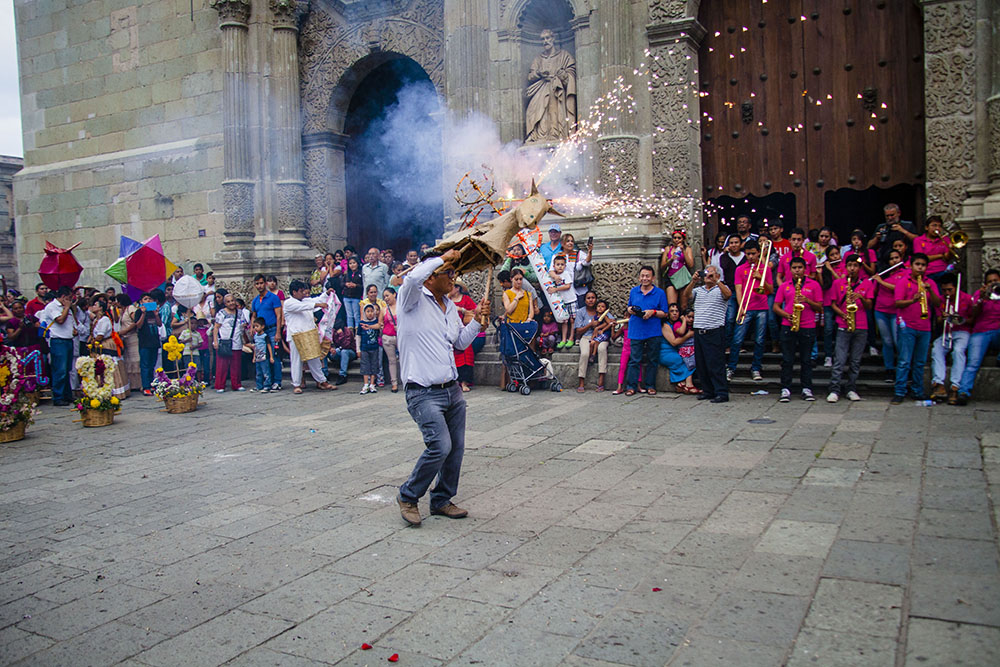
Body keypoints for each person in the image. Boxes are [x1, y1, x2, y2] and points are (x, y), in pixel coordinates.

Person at [396, 249, 488, 527]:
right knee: (440, 445)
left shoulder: (449, 306)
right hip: (422, 391)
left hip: (452, 390)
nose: (454, 278)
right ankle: (408, 495)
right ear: (431, 276)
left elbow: (458, 342)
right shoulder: (411, 299)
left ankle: (441, 499)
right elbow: (412, 279)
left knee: (456, 448)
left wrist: (477, 323)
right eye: (449, 273)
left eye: (453, 272)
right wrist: (441, 257)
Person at [891, 253, 941, 404]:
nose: (920, 268)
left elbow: (938, 303)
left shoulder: (930, 282)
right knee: (904, 361)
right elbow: (897, 303)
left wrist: (930, 291)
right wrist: (912, 300)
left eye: (923, 265)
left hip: (924, 327)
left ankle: (917, 391)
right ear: (911, 266)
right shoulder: (903, 282)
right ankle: (899, 392)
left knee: (919, 362)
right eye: (917, 264)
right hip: (907, 325)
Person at [773, 257, 823, 402]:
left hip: (807, 326)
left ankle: (806, 388)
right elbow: (776, 306)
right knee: (787, 359)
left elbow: (820, 307)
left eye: (800, 267)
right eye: (794, 268)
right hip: (788, 326)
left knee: (806, 359)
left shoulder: (814, 285)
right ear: (790, 269)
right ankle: (785, 388)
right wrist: (787, 315)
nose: (797, 271)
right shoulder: (785, 286)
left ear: (805, 269)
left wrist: (807, 301)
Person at [826, 256, 874, 402]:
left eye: (855, 266)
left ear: (859, 268)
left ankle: (851, 388)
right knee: (839, 359)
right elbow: (833, 304)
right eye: (850, 265)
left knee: (855, 360)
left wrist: (861, 297)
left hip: (861, 325)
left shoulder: (866, 283)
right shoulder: (838, 283)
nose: (852, 268)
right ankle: (834, 389)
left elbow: (869, 306)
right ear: (845, 267)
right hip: (843, 324)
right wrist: (842, 314)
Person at [684, 266, 731, 402]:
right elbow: (687, 296)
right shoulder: (698, 290)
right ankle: (708, 391)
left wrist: (717, 281)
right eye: (706, 273)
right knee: (702, 363)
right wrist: (693, 281)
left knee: (716, 363)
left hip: (715, 330)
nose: (708, 276)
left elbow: (728, 295)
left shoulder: (721, 288)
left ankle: (721, 392)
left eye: (711, 273)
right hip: (699, 330)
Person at [729, 239, 773, 382]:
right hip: (746, 308)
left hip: (762, 308)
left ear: (759, 253)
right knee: (737, 340)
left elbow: (770, 290)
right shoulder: (740, 269)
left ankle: (756, 368)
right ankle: (731, 368)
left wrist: (761, 279)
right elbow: (738, 288)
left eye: (753, 254)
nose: (751, 257)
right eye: (748, 254)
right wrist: (741, 307)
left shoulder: (765, 268)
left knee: (760, 340)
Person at [954, 269, 1000, 405]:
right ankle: (963, 392)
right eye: (990, 282)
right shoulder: (979, 295)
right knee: (973, 363)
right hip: (981, 331)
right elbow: (974, 315)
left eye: (995, 281)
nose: (993, 283)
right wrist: (981, 298)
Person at [283, 280, 336, 394]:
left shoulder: (305, 300)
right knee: (296, 360)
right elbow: (304, 306)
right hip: (295, 335)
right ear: (294, 292)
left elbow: (315, 300)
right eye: (301, 291)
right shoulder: (289, 303)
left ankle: (322, 381)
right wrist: (318, 305)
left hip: (309, 333)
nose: (303, 293)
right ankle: (297, 384)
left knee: (314, 358)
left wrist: (326, 294)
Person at [525, 28, 577, 143]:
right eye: (543, 39)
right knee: (532, 111)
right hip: (542, 88)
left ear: (553, 39)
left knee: (554, 110)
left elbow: (571, 73)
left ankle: (556, 134)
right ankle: (538, 135)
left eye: (547, 38)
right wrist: (539, 73)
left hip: (556, 89)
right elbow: (530, 76)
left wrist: (562, 74)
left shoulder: (564, 56)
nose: (545, 41)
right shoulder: (538, 59)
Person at [624, 266, 670, 396]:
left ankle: (650, 385)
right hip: (636, 329)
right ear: (639, 277)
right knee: (634, 359)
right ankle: (631, 386)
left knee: (652, 359)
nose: (645, 278)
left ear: (653, 278)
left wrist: (653, 312)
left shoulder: (660, 293)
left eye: (647, 276)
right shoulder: (634, 291)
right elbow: (628, 307)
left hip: (653, 330)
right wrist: (631, 310)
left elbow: (665, 313)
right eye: (642, 276)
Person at [930, 273, 974, 405]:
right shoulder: (941, 300)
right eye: (944, 290)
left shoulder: (967, 298)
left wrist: (960, 319)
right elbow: (938, 321)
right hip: (947, 331)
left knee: (958, 351)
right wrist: (942, 317)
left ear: (956, 287)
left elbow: (973, 319)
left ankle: (955, 386)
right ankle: (939, 384)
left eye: (950, 290)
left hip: (962, 331)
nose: (947, 293)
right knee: (936, 349)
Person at [40, 287, 76, 406]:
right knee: (59, 370)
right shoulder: (52, 307)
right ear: (63, 297)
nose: (71, 300)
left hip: (68, 339)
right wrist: (66, 307)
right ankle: (58, 396)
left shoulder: (68, 309)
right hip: (58, 341)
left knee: (67, 369)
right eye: (69, 298)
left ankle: (67, 394)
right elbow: (60, 320)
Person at [89, 297, 130, 399]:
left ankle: (115, 391)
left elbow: (100, 335)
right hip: (98, 345)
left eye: (95, 305)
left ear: (100, 308)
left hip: (105, 344)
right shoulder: (96, 320)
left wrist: (94, 342)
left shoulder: (105, 319)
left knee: (109, 365)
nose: (93, 307)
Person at [250, 274, 284, 392]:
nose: (259, 286)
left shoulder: (273, 298)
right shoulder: (255, 301)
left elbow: (279, 315)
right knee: (263, 357)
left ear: (265, 283)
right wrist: (252, 327)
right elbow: (254, 315)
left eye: (261, 283)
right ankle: (265, 382)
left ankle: (277, 381)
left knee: (274, 355)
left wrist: (278, 332)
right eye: (257, 284)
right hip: (261, 332)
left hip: (273, 329)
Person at [575, 293, 612, 392]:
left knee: (602, 349)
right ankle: (581, 382)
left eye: (593, 298)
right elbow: (578, 330)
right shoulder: (581, 312)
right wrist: (590, 325)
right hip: (586, 336)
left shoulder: (602, 310)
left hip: (601, 338)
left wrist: (601, 327)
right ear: (585, 300)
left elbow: (612, 321)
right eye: (588, 298)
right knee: (585, 354)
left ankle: (601, 381)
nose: (591, 300)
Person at [659, 303, 698, 395]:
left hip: (676, 350)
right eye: (672, 311)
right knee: (686, 360)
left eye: (677, 311)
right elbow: (674, 342)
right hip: (665, 352)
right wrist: (688, 335)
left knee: (691, 356)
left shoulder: (680, 324)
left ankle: (682, 384)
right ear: (667, 314)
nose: (675, 313)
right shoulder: (665, 325)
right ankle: (688, 384)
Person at [714, 234, 745, 348]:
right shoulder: (724, 257)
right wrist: (725, 253)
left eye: (736, 242)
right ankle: (727, 344)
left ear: (741, 244)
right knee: (730, 318)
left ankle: (739, 344)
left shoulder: (745, 256)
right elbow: (724, 266)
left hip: (744, 291)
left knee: (742, 318)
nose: (734, 245)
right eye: (731, 243)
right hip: (731, 291)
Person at [213, 293, 248, 393]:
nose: (231, 303)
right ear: (225, 303)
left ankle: (236, 384)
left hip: (236, 342)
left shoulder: (240, 313)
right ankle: (220, 385)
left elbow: (243, 325)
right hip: (224, 341)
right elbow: (216, 327)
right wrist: (215, 341)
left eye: (232, 301)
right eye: (228, 301)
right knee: (222, 365)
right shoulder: (221, 313)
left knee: (236, 365)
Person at [448, 281, 477, 392]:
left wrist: (462, 310)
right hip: (450, 331)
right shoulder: (446, 300)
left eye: (454, 286)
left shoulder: (465, 299)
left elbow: (474, 311)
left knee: (466, 351)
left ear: (458, 288)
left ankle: (465, 381)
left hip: (464, 330)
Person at [818, 245, 844, 367]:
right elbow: (824, 285)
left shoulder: (844, 266)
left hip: (841, 303)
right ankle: (828, 355)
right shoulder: (825, 268)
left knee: (840, 330)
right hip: (828, 302)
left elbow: (841, 282)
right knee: (828, 330)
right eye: (832, 255)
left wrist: (831, 269)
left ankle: (839, 355)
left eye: (836, 254)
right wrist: (820, 273)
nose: (835, 257)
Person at [132, 293, 162, 396]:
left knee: (152, 365)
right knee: (145, 365)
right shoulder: (138, 312)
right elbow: (138, 326)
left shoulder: (154, 311)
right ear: (141, 302)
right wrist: (143, 313)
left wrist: (156, 314)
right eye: (145, 299)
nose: (148, 300)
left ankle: (152, 384)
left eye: (150, 299)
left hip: (154, 341)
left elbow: (159, 324)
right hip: (144, 342)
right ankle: (146, 387)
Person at [660, 229, 695, 307]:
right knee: (671, 304)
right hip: (671, 276)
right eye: (674, 238)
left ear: (683, 239)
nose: (676, 240)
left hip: (682, 277)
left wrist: (683, 251)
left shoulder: (687, 249)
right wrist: (671, 259)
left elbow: (691, 265)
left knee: (684, 305)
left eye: (679, 238)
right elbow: (662, 266)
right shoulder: (668, 249)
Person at [913, 215, 952, 283]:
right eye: (934, 225)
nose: (937, 228)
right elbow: (921, 258)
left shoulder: (945, 239)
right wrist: (940, 255)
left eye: (939, 226)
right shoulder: (918, 240)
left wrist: (951, 249)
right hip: (926, 273)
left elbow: (947, 258)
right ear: (926, 227)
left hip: (943, 271)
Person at [547, 254, 575, 348]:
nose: (560, 266)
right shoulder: (553, 277)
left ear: (565, 265)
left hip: (570, 300)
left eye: (562, 264)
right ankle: (563, 339)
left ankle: (571, 338)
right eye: (558, 264)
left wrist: (556, 289)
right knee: (564, 321)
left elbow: (567, 286)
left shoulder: (566, 274)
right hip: (561, 302)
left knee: (572, 320)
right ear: (554, 266)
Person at [358, 303, 382, 395]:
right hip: (364, 348)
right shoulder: (361, 323)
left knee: (374, 365)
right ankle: (365, 384)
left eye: (372, 311)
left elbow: (379, 333)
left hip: (374, 347)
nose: (370, 313)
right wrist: (358, 349)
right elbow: (358, 336)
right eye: (368, 311)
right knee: (365, 366)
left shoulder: (376, 323)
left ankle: (372, 384)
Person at [382, 288, 400, 393]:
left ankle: (408, 381)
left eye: (388, 295)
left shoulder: (401, 307)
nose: (386, 298)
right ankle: (394, 383)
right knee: (392, 361)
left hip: (400, 336)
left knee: (404, 359)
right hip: (388, 337)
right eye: (384, 296)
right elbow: (380, 324)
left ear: (394, 294)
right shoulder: (384, 309)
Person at [250, 317, 274, 393]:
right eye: (254, 327)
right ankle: (259, 386)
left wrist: (271, 356)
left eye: (257, 326)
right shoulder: (255, 336)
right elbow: (255, 347)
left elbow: (269, 346)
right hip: (258, 357)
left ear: (262, 326)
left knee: (266, 372)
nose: (255, 328)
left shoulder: (265, 336)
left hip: (264, 356)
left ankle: (267, 385)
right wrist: (254, 357)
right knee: (258, 373)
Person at [341, 256, 364, 331]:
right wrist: (346, 284)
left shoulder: (361, 274)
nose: (352, 265)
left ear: (357, 263)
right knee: (349, 315)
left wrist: (355, 285)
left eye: (354, 263)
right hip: (347, 297)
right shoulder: (347, 274)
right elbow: (341, 283)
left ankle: (357, 331)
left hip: (356, 297)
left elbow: (363, 285)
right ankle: (350, 332)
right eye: (350, 263)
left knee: (356, 315)